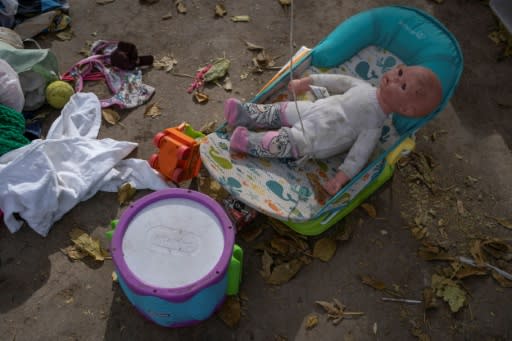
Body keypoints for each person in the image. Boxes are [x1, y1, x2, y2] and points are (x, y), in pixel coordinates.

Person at [225, 64, 443, 196]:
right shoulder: (364, 87)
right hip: (313, 109)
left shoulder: (374, 126)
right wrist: (307, 82)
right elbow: (338, 81)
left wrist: (341, 178)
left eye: (402, 85)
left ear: (405, 108)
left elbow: (358, 156)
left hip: (319, 138)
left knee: (286, 141)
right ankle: (245, 113)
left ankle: (248, 142)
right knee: (283, 110)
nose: (395, 76)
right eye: (400, 71)